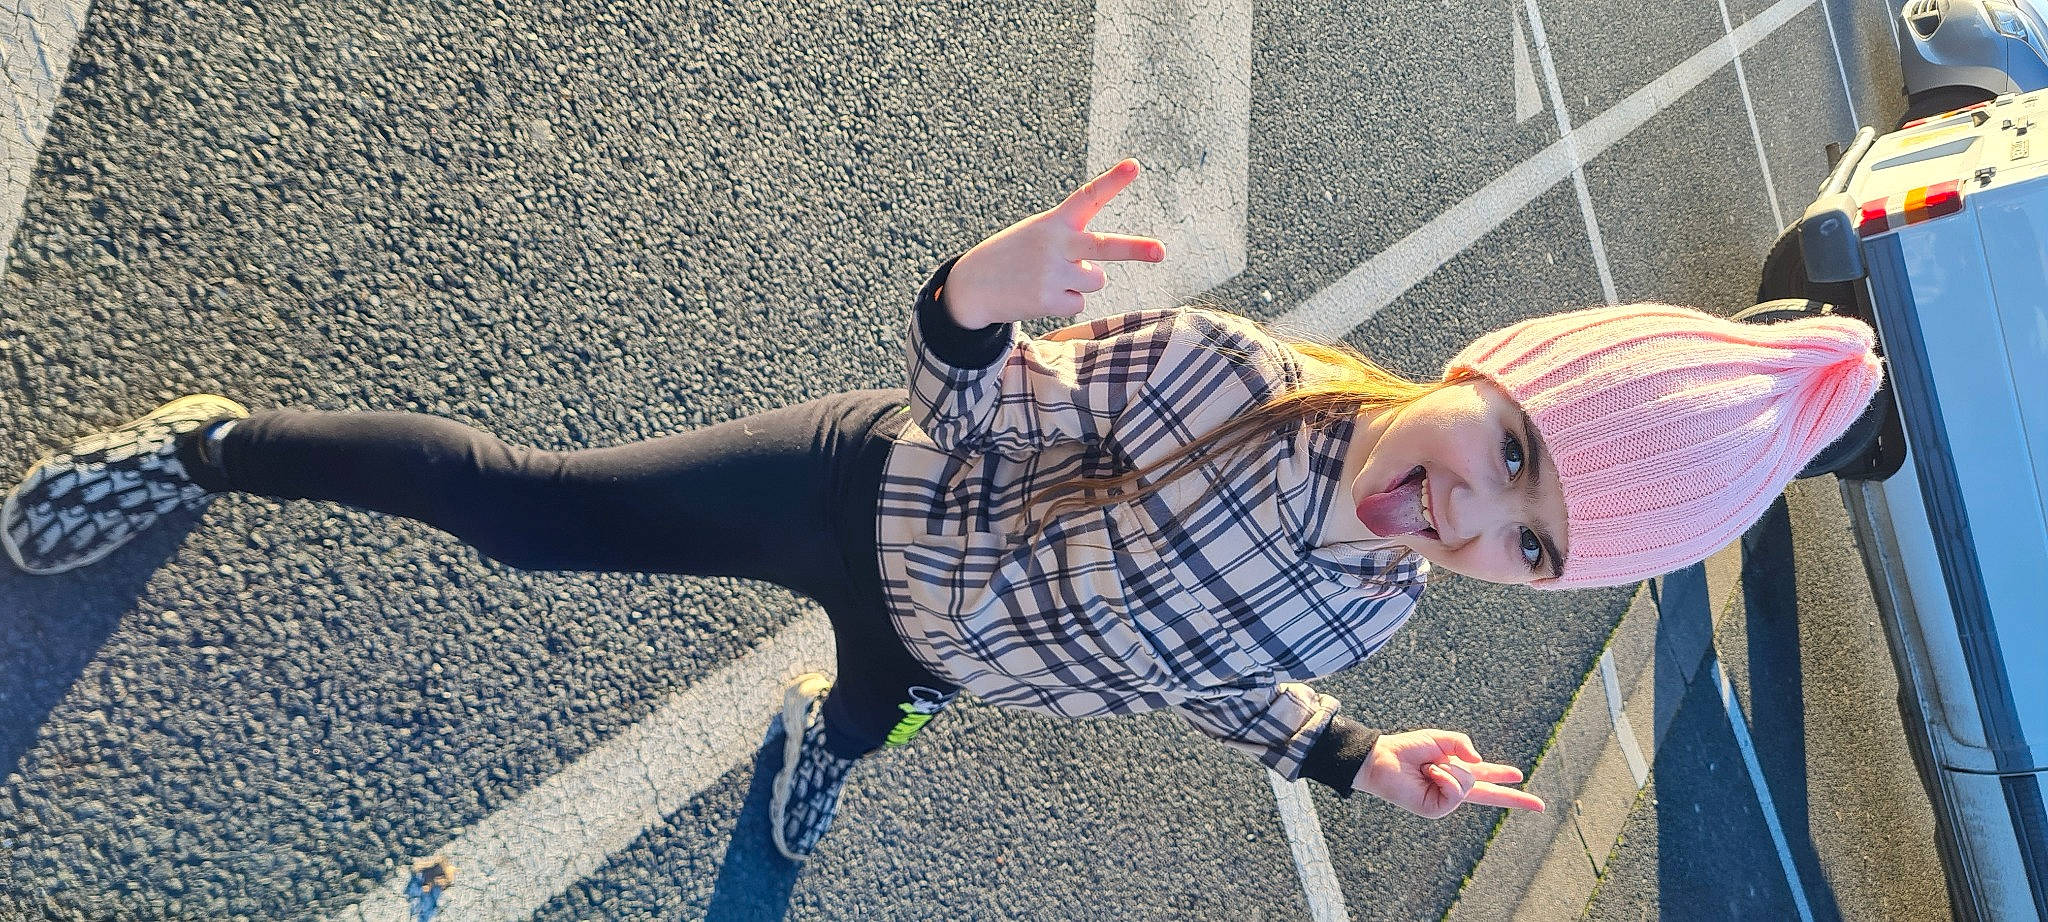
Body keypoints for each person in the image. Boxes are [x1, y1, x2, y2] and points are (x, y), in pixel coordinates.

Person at [1, 159, 1884, 862]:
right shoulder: (1242, 380)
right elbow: (965, 417)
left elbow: (1209, 685)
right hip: (864, 495)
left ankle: (834, 741)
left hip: (946, 648)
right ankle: (205, 445)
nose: (1477, 516)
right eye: (1524, 456)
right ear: (1504, 364)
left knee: (867, 712)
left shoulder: (1374, 615)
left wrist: (1356, 755)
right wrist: (974, 300)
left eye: (1533, 552)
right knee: (525, 517)